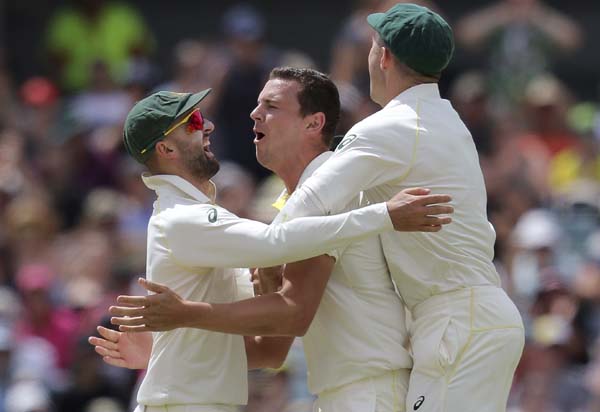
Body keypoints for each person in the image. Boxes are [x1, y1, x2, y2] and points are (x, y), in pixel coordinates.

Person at [101, 67, 438, 411]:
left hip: (365, 392)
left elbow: (282, 323)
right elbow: (272, 333)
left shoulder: (327, 189)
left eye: (272, 106)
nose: (210, 124)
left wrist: (177, 330)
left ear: (313, 123)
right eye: (193, 121)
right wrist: (163, 348)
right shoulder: (187, 218)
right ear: (166, 150)